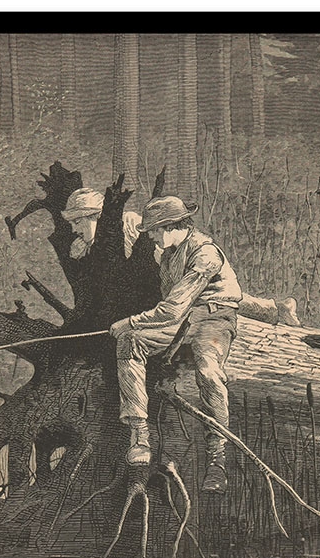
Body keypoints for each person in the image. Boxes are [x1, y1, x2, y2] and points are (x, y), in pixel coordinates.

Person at [108, 196, 241, 493]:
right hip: (182, 324)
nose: (152, 236)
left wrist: (129, 322)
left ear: (169, 226)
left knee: (208, 373)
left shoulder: (206, 254)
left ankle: (217, 459)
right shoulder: (168, 252)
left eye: (154, 230)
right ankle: (139, 435)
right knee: (131, 344)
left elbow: (172, 308)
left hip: (213, 320)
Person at [61, 187, 300, 325]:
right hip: (152, 291)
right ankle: (275, 308)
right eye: (73, 222)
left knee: (217, 296)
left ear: (99, 217)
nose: (75, 228)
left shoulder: (131, 223)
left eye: (79, 221)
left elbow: (158, 251)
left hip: (167, 279)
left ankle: (275, 309)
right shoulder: (86, 246)